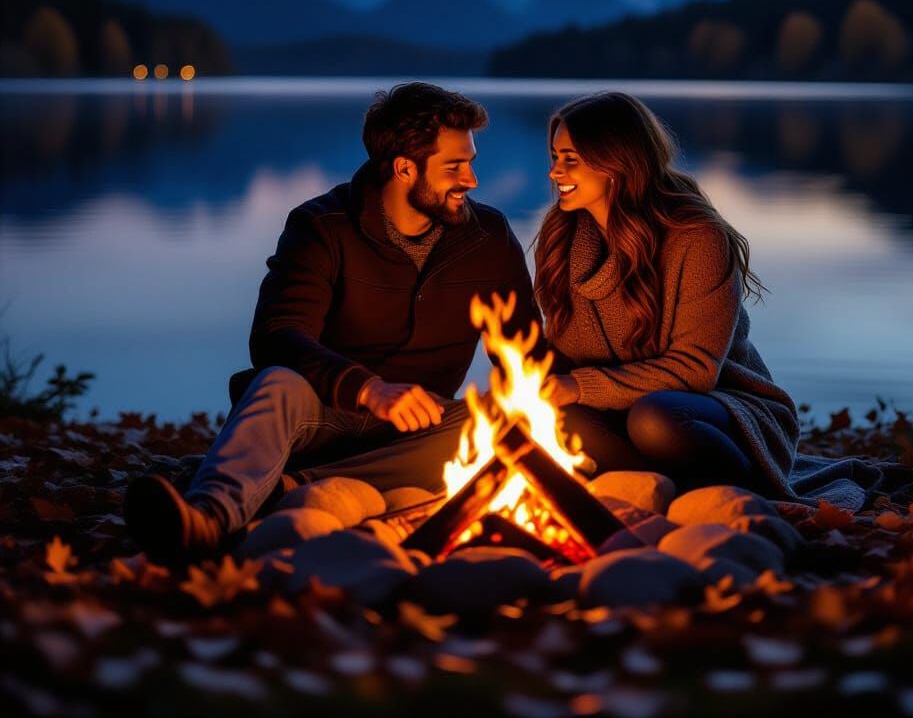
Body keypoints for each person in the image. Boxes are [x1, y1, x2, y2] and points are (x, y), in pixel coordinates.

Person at [124, 82, 540, 560]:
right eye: (455, 166)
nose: (471, 180)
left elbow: (525, 353)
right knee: (276, 382)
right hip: (320, 411)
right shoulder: (321, 226)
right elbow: (278, 338)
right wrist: (367, 389)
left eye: (471, 161)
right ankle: (206, 518)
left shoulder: (486, 236)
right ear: (404, 168)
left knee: (505, 422)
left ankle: (282, 489)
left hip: (417, 429)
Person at [535, 91, 800, 497]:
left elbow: (696, 370)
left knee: (654, 420)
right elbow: (563, 350)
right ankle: (658, 494)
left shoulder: (697, 238)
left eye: (571, 159)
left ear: (617, 161)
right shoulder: (562, 239)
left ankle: (747, 490)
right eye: (555, 157)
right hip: (614, 407)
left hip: (717, 408)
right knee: (551, 420)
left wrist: (579, 387)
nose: (556, 172)